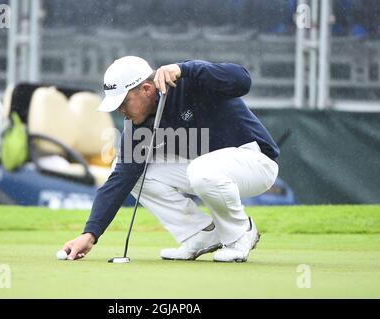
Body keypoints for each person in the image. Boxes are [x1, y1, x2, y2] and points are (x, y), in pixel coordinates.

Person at [61, 56, 279, 262]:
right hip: (207, 170)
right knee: (130, 172)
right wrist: (89, 234)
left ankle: (240, 233)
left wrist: (186, 69)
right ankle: (199, 235)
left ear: (146, 89)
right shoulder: (137, 127)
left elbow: (242, 80)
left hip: (256, 161)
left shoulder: (187, 80)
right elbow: (120, 180)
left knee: (202, 170)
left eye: (123, 102)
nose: (120, 111)